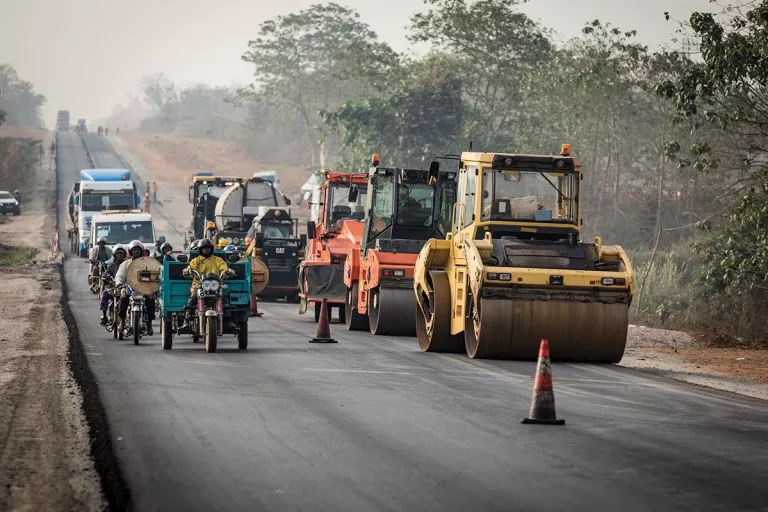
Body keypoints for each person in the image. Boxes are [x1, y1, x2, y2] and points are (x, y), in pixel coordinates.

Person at [182, 238, 229, 324]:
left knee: (224, 300)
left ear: (212, 249)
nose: (207, 250)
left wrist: (226, 271)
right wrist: (188, 271)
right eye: (204, 248)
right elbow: (190, 268)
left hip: (216, 286)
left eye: (208, 248)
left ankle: (228, 320)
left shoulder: (218, 260)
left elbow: (224, 268)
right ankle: (187, 318)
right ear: (200, 249)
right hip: (199, 286)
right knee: (193, 298)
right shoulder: (195, 261)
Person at [115, 240, 156, 335]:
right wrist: (119, 283)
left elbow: (154, 274)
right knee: (123, 298)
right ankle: (122, 320)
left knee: (151, 300)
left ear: (141, 251)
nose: (136, 252)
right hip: (129, 288)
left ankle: (149, 323)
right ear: (130, 252)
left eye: (138, 250)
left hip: (144, 289)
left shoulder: (147, 263)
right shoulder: (125, 264)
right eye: (134, 250)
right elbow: (120, 276)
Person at [99, 245, 127, 325]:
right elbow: (106, 274)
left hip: (125, 287)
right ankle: (104, 316)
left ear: (124, 254)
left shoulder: (127, 264)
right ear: (115, 255)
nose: (120, 255)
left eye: (121, 253)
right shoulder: (112, 266)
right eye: (118, 253)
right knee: (105, 294)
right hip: (114, 287)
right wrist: (105, 276)